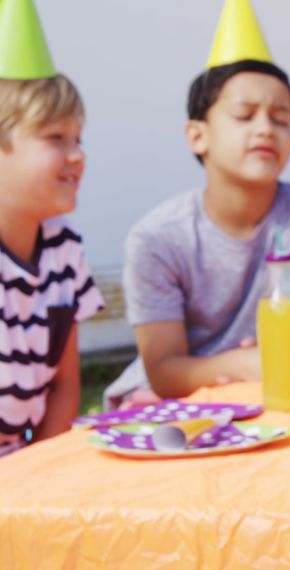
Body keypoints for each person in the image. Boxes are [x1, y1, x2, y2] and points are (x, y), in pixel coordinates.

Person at [113, 1, 290, 403]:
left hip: (284, 386)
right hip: (176, 401)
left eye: (280, 118)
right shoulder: (157, 238)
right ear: (197, 135)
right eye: (244, 115)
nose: (265, 129)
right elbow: (165, 371)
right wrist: (240, 365)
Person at [0, 0, 104, 454]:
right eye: (55, 138)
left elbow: (64, 386)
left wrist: (30, 481)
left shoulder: (63, 245)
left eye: (77, 138)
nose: (77, 154)